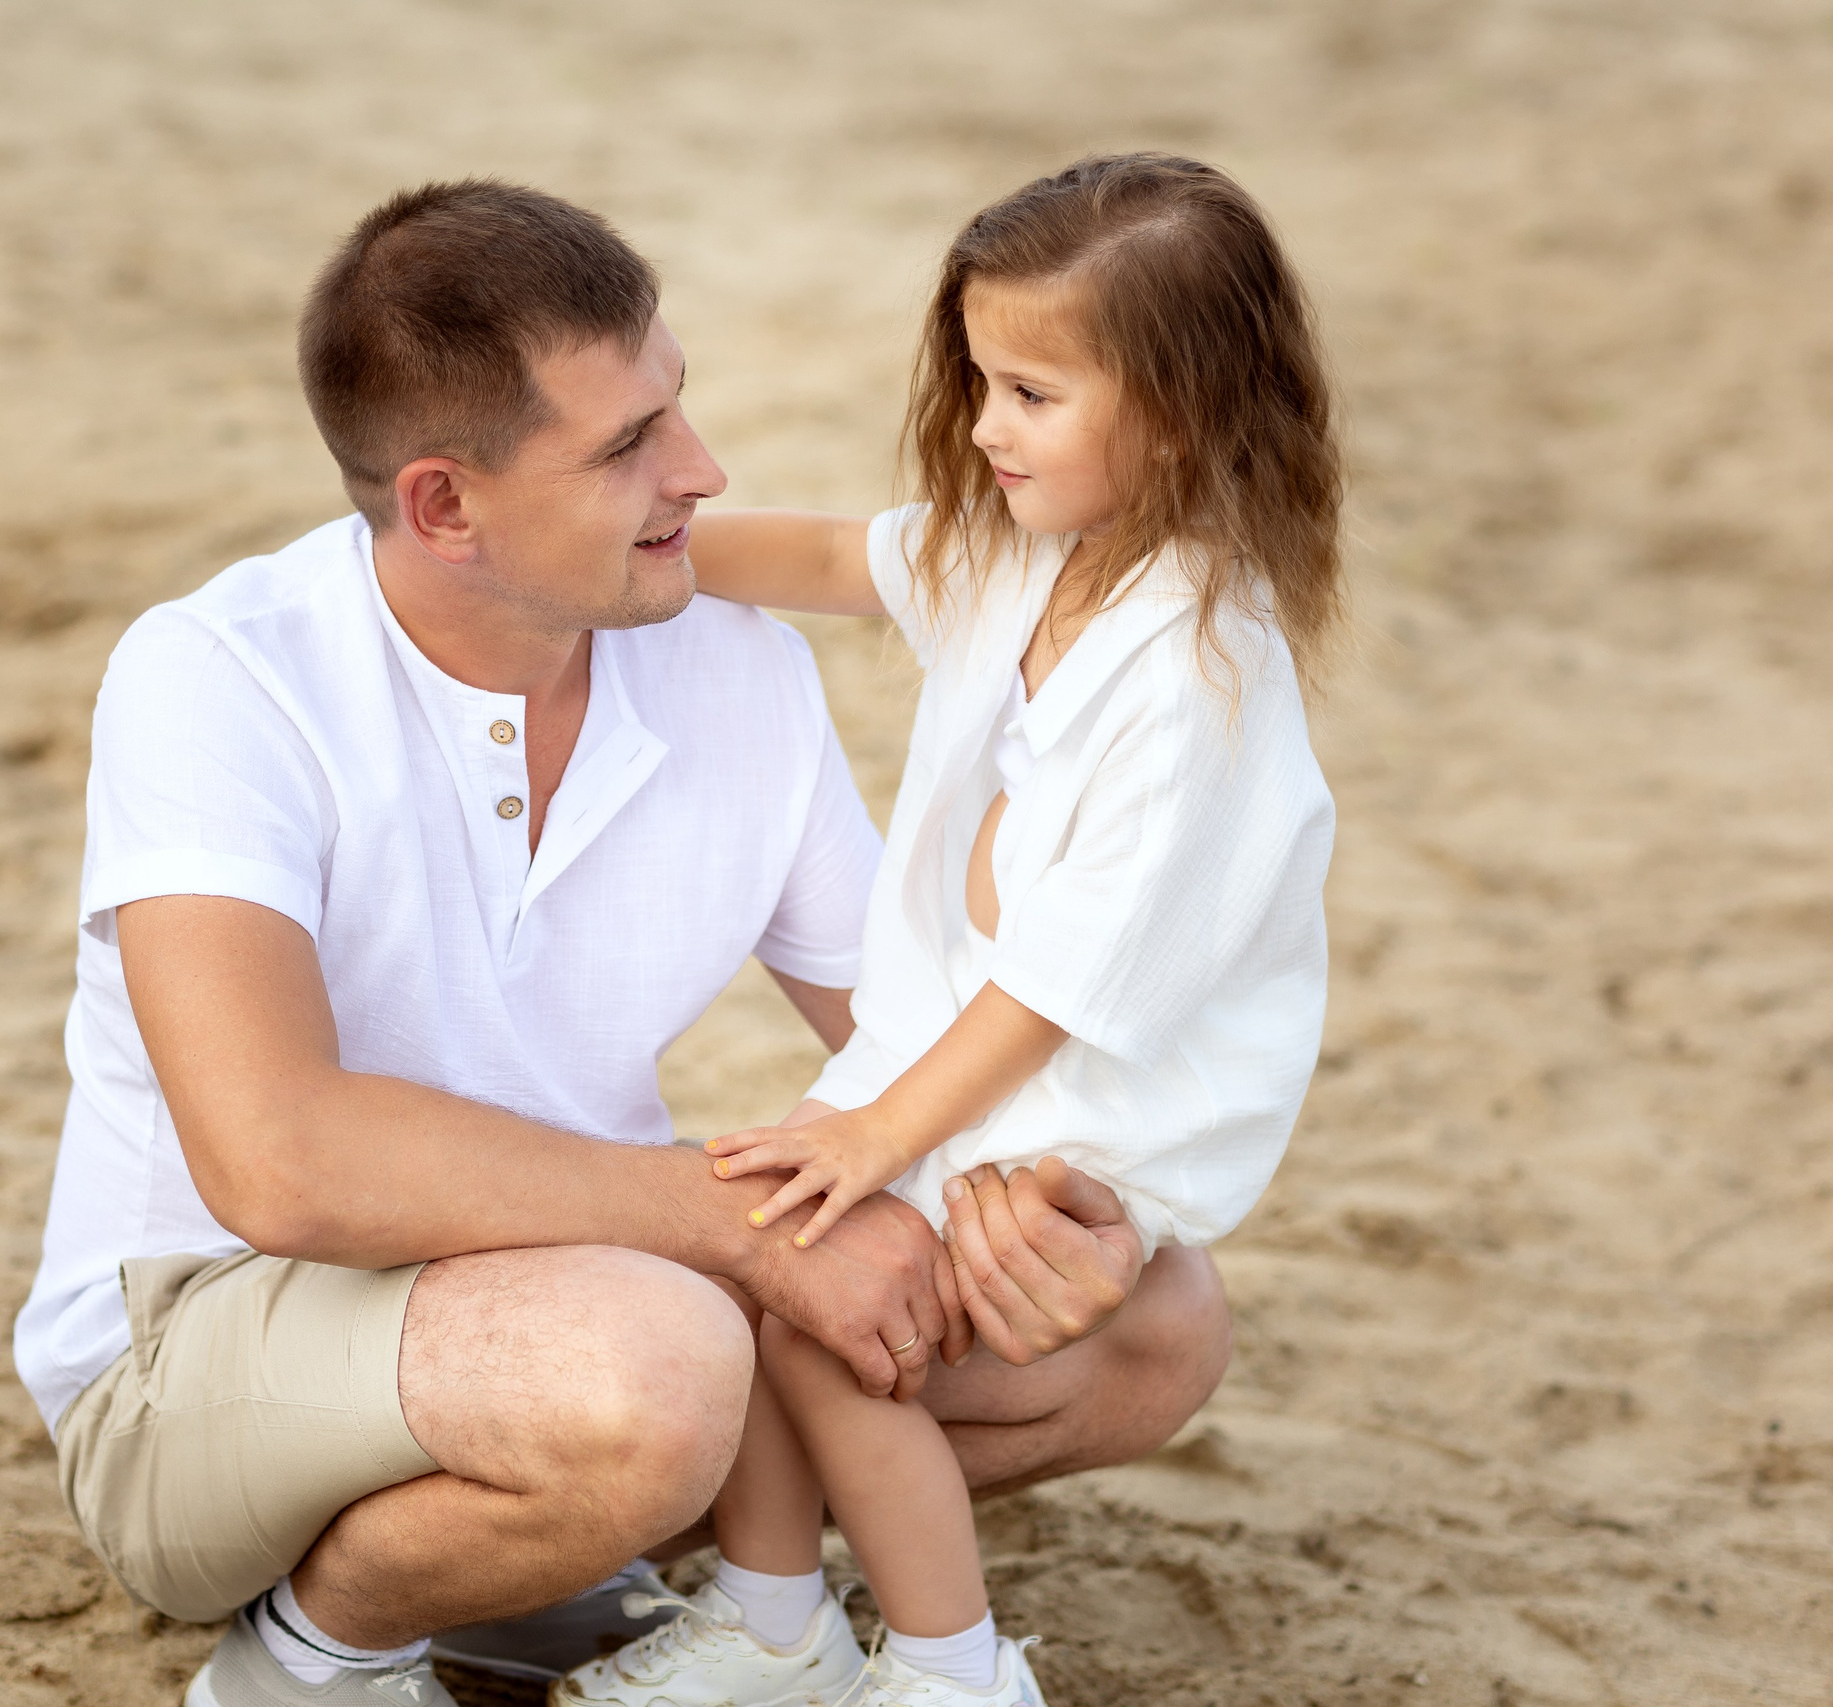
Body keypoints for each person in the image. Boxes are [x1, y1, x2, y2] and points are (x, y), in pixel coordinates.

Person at [9, 177, 1233, 1707]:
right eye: (627, 446)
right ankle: (311, 1657)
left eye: (678, 405)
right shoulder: (219, 679)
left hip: (583, 1298)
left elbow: (917, 1022)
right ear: (445, 508)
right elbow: (280, 1163)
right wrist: (746, 1228)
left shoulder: (731, 666)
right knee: (659, 1363)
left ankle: (534, 1569)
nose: (701, 472)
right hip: (196, 1353)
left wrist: (1053, 1206)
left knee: (1158, 1317)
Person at [553, 155, 1341, 1707]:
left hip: (1081, 1108)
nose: (986, 426)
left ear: (1181, 416)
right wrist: (627, 555)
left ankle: (949, 1665)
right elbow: (838, 558)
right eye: (981, 382)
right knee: (767, 1282)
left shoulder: (1200, 677)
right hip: (959, 1062)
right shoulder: (1025, 550)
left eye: (1032, 394)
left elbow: (1059, 987)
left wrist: (877, 1136)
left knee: (836, 1327)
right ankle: (774, 1623)